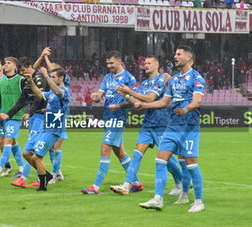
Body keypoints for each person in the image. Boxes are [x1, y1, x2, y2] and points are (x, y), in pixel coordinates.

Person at [138, 45, 205, 213]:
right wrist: (144, 105)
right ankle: (158, 199)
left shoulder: (197, 78)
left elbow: (197, 101)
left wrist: (185, 110)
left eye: (179, 54)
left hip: (189, 128)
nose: (175, 56)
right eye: (175, 53)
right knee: (160, 161)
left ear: (189, 58)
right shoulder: (174, 80)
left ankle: (198, 201)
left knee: (191, 165)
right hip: (172, 127)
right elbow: (163, 102)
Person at [109, 56, 183, 196]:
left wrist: (130, 91)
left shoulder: (161, 80)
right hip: (148, 123)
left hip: (161, 123)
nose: (146, 65)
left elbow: (150, 99)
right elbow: (138, 101)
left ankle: (181, 182)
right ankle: (127, 185)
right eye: (145, 63)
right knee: (137, 153)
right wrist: (125, 96)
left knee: (167, 158)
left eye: (149, 63)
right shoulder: (144, 83)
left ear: (157, 65)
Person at [80, 51, 137, 194]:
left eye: (111, 63)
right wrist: (95, 97)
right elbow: (100, 96)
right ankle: (136, 182)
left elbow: (134, 102)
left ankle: (96, 187)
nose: (109, 66)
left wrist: (119, 106)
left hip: (119, 117)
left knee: (105, 147)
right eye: (108, 64)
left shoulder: (129, 78)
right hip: (108, 117)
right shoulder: (107, 77)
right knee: (120, 152)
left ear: (119, 61)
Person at [21, 67, 70, 191]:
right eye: (51, 76)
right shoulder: (52, 92)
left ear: (61, 78)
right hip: (43, 125)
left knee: (37, 156)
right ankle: (46, 175)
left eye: (54, 77)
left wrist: (46, 77)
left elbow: (59, 93)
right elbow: (39, 94)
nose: (51, 79)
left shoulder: (65, 90)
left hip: (54, 127)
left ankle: (43, 184)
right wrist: (31, 81)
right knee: (26, 153)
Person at [9, 56, 50, 187]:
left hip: (42, 116)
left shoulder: (39, 78)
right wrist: (9, 114)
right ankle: (41, 177)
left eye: (23, 70)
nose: (22, 73)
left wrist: (29, 112)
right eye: (20, 71)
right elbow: (22, 100)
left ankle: (34, 178)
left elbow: (39, 99)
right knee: (31, 150)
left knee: (32, 149)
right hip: (35, 117)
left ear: (30, 66)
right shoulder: (28, 81)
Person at [33, 48, 71, 183]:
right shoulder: (52, 86)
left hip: (59, 117)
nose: (51, 72)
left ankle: (55, 174)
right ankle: (57, 171)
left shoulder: (64, 84)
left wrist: (46, 58)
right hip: (49, 117)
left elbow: (52, 73)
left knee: (57, 145)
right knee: (50, 147)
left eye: (54, 72)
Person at [0, 57, 25, 178]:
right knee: (9, 143)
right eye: (5, 63)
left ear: (15, 66)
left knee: (7, 141)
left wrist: (16, 112)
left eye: (8, 63)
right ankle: (22, 169)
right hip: (5, 117)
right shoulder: (1, 81)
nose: (5, 65)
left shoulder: (21, 80)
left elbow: (26, 98)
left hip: (15, 117)